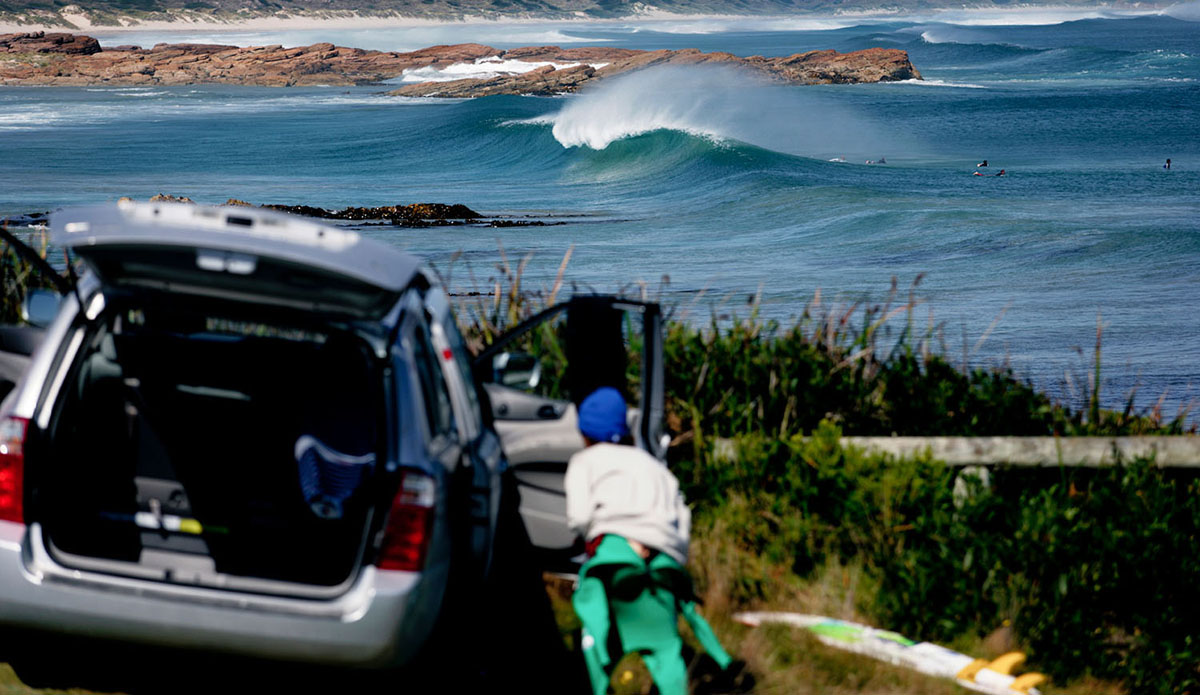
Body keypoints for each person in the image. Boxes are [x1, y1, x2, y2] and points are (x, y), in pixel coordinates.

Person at [566, 387, 732, 695]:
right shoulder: (655, 467)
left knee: (601, 641)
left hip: (615, 562)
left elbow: (578, 517)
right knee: (666, 651)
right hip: (663, 566)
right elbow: (682, 517)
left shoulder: (583, 461)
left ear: (585, 433)